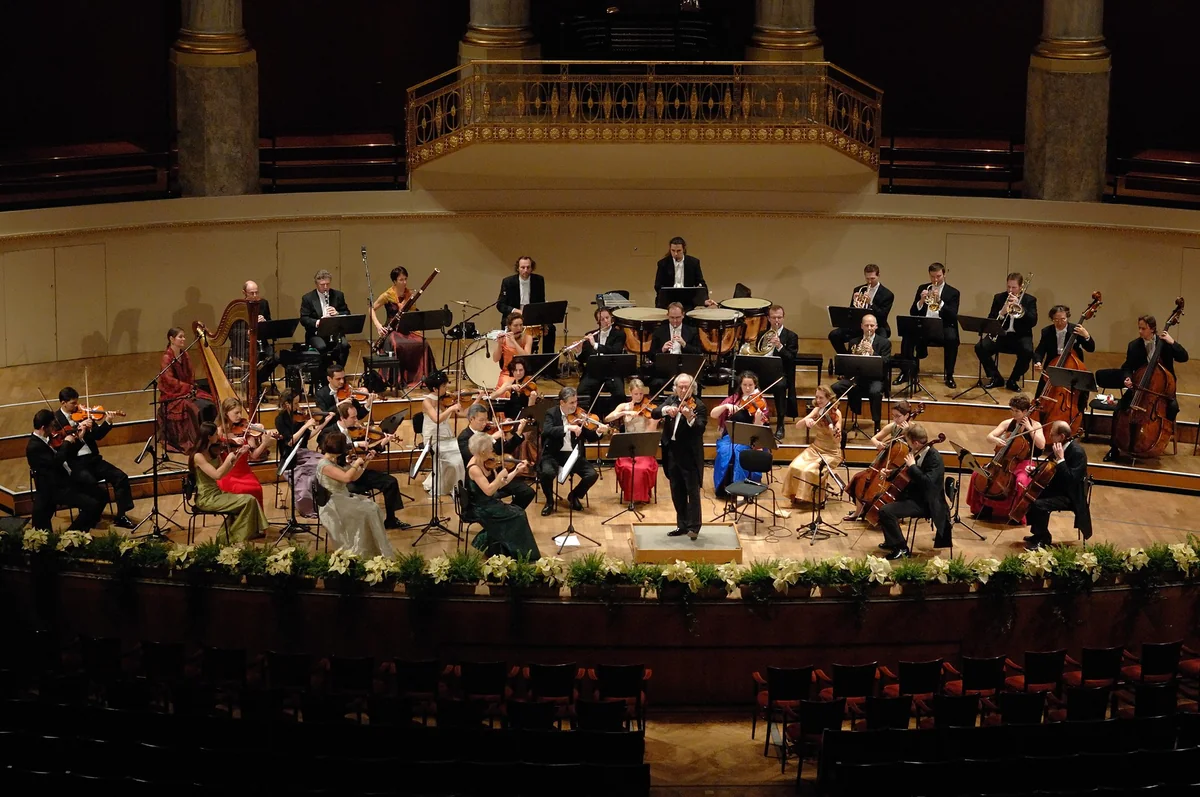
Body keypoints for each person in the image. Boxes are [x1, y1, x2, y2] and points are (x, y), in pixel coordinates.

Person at [1097, 314, 1188, 462]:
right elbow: (1127, 366)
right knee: (1119, 409)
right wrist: (1126, 378)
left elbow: (1184, 357)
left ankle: (1161, 439)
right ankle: (1114, 448)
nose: (1140, 331)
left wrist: (1173, 342)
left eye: (1143, 328)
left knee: (1172, 408)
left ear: (1152, 329)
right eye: (1139, 328)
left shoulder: (1164, 344)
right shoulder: (1134, 345)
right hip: (1138, 389)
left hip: (1162, 392)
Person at [318, 404, 410, 529]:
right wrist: (355, 444)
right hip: (340, 475)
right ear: (342, 418)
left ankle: (391, 520)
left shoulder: (356, 430)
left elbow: (369, 448)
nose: (357, 420)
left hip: (356, 470)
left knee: (390, 482)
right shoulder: (328, 432)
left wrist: (382, 443)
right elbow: (327, 449)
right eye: (353, 417)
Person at [55, 387, 136, 529]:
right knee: (91, 484)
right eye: (73, 403)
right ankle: (91, 514)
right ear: (63, 403)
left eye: (77, 403)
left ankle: (121, 515)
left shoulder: (84, 414)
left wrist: (108, 421)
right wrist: (79, 429)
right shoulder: (56, 420)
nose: (77, 406)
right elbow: (61, 447)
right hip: (75, 463)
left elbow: (97, 435)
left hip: (93, 459)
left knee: (121, 477)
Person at [966, 393, 1046, 523]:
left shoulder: (1036, 425)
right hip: (1003, 461)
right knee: (977, 473)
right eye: (1012, 410)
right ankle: (981, 508)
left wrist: (1031, 429)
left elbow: (1041, 445)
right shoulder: (1008, 423)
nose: (1013, 414)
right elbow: (989, 436)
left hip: (1023, 462)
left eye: (1017, 411)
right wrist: (996, 440)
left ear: (1026, 411)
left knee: (1020, 481)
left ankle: (1016, 515)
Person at [876, 423, 952, 559]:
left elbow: (927, 482)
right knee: (880, 500)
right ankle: (891, 541)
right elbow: (906, 473)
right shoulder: (918, 452)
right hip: (914, 495)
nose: (907, 444)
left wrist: (912, 467)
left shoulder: (934, 459)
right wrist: (890, 473)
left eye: (908, 441)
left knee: (886, 511)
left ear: (916, 443)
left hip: (927, 502)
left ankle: (901, 548)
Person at [27, 410, 107, 531]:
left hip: (66, 481)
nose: (53, 429)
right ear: (44, 427)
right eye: (51, 426)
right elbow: (56, 462)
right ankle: (72, 535)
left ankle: (80, 531)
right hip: (55, 488)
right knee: (92, 505)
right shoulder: (34, 446)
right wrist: (66, 442)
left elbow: (66, 455)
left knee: (101, 495)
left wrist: (79, 438)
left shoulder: (46, 439)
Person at [315, 434, 394, 558]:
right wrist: (356, 464)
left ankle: (373, 549)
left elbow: (354, 476)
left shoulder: (334, 461)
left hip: (343, 497)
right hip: (332, 504)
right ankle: (360, 551)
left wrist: (366, 461)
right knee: (368, 511)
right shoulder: (324, 465)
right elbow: (347, 478)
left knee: (373, 508)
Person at [189, 422, 269, 542]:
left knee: (249, 500)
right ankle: (232, 538)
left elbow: (225, 472)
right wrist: (227, 459)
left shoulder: (212, 452)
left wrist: (238, 456)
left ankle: (228, 537)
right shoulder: (198, 456)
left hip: (217, 493)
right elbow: (217, 475)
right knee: (249, 501)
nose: (218, 436)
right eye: (216, 434)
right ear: (209, 437)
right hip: (206, 498)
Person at [465, 432, 541, 559]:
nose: (493, 450)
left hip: (491, 502)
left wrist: (516, 470)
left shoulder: (486, 462)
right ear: (482, 452)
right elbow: (489, 491)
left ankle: (508, 549)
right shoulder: (474, 468)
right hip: (482, 508)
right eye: (490, 448)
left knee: (518, 512)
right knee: (519, 515)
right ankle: (520, 553)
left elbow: (500, 484)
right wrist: (499, 476)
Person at [539, 387, 609, 516]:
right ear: (562, 403)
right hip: (553, 454)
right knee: (546, 473)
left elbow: (590, 436)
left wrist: (598, 432)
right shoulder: (551, 413)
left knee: (592, 474)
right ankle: (549, 501)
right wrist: (568, 427)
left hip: (573, 455)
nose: (575, 405)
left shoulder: (580, 416)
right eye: (571, 403)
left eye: (576, 402)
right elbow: (547, 431)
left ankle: (574, 496)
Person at [652, 373, 707, 539]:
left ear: (693, 389)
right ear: (675, 388)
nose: (684, 390)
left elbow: (700, 428)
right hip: (672, 453)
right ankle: (681, 525)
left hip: (689, 456)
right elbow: (655, 413)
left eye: (687, 387)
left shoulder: (699, 406)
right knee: (677, 491)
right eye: (681, 387)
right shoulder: (671, 401)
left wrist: (689, 416)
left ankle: (694, 527)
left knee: (693, 493)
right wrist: (665, 410)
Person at [1023, 420, 1092, 549]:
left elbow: (1071, 479)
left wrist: (1061, 460)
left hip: (1071, 496)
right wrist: (1035, 471)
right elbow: (1050, 468)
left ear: (1061, 437)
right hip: (1059, 489)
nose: (1049, 436)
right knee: (1031, 496)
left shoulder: (1077, 453)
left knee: (1039, 504)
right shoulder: (1059, 447)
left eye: (1052, 434)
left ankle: (1043, 539)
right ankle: (1038, 534)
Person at [843, 400, 915, 521]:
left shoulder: (913, 429)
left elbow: (916, 448)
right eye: (893, 416)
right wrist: (878, 443)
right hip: (883, 465)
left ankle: (885, 514)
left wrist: (908, 433)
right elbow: (874, 438)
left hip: (900, 469)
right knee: (858, 478)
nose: (895, 419)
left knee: (877, 488)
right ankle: (859, 511)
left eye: (898, 416)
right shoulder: (893, 427)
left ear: (907, 415)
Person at [895, 262, 960, 389]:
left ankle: (949, 375)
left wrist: (940, 302)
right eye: (932, 277)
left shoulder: (953, 292)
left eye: (938, 276)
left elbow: (952, 315)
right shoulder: (923, 288)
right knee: (907, 336)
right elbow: (913, 312)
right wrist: (921, 301)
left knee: (952, 339)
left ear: (944, 274)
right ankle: (905, 372)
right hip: (924, 325)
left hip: (943, 326)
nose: (935, 280)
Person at [457, 404, 534, 509]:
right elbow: (471, 457)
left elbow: (504, 450)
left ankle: (510, 513)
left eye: (486, 419)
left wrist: (518, 432)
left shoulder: (487, 432)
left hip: (496, 475)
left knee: (527, 492)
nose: (485, 423)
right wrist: (491, 438)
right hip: (480, 484)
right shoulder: (464, 437)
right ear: (471, 419)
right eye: (481, 420)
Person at [371, 266, 435, 389]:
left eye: (405, 279)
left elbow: (412, 314)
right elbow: (371, 309)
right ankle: (397, 379)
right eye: (401, 280)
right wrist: (378, 326)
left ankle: (420, 377)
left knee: (423, 343)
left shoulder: (409, 294)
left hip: (406, 329)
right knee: (396, 344)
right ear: (395, 281)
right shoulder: (387, 295)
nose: (404, 282)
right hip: (392, 329)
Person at [975, 272, 1038, 391]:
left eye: (1014, 287)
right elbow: (991, 319)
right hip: (1001, 335)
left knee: (1027, 351)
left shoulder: (1030, 300)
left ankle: (1013, 380)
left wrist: (1021, 309)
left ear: (1020, 287)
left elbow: (1033, 321)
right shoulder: (999, 298)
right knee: (980, 347)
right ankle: (996, 377)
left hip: (1020, 336)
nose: (1010, 290)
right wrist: (1002, 312)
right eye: (1008, 286)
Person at [781, 385, 843, 505]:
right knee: (794, 466)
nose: (818, 400)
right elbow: (798, 426)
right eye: (817, 397)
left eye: (821, 398)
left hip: (831, 453)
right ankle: (796, 495)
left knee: (810, 471)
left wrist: (832, 430)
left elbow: (837, 441)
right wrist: (806, 420)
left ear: (829, 399)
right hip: (815, 449)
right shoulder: (817, 410)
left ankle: (815, 499)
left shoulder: (836, 414)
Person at [710, 371, 769, 497]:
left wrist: (758, 418)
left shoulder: (760, 401)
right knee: (724, 451)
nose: (747, 388)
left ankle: (739, 490)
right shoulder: (733, 399)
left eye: (750, 385)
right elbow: (713, 414)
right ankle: (722, 486)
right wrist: (725, 406)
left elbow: (758, 430)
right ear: (740, 385)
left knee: (740, 452)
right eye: (745, 385)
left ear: (755, 386)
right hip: (730, 437)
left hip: (749, 439)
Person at [274, 390, 331, 518]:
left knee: (324, 462)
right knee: (313, 471)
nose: (299, 406)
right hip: (290, 455)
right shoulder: (280, 419)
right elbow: (290, 441)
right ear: (287, 404)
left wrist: (324, 422)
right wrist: (305, 426)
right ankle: (309, 504)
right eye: (295, 403)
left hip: (303, 452)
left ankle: (322, 499)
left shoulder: (298, 416)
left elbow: (308, 437)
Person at [159, 326, 216, 454]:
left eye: (184, 336)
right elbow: (168, 380)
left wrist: (190, 387)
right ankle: (198, 441)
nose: (184, 339)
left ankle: (209, 438)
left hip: (187, 390)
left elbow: (191, 374)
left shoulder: (184, 354)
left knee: (210, 402)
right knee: (195, 409)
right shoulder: (166, 358)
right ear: (171, 339)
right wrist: (187, 388)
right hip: (173, 393)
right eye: (180, 337)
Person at [831, 313, 891, 432]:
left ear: (876, 326)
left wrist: (873, 353)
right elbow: (849, 362)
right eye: (867, 325)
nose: (869, 328)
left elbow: (886, 362)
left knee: (875, 391)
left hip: (875, 379)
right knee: (835, 387)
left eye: (872, 326)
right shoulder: (854, 342)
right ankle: (833, 420)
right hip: (857, 378)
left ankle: (877, 424)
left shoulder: (884, 343)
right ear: (861, 326)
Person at [215, 397, 280, 506]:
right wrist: (231, 441)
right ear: (226, 413)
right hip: (227, 474)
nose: (240, 416)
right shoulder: (219, 432)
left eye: (240, 412)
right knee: (241, 490)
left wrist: (264, 443)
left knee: (257, 489)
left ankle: (254, 522)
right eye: (236, 413)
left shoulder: (246, 430)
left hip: (245, 472)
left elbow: (253, 456)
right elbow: (216, 452)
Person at [605, 378, 661, 504]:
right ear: (630, 393)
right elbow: (608, 418)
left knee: (642, 468)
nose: (639, 397)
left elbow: (650, 431)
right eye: (636, 394)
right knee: (627, 467)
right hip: (627, 447)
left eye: (641, 394)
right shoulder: (623, 406)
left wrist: (654, 421)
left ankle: (640, 496)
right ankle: (631, 496)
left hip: (644, 447)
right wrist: (625, 412)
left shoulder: (649, 408)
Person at [420, 370, 469, 496]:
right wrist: (451, 409)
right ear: (435, 389)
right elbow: (437, 419)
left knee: (461, 457)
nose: (446, 389)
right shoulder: (427, 402)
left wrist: (477, 398)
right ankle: (449, 485)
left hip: (447, 435)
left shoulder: (444, 399)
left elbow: (463, 413)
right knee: (454, 461)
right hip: (434, 437)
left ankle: (458, 486)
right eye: (443, 386)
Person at [828, 263, 896, 354]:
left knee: (883, 341)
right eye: (867, 278)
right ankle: (847, 358)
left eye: (872, 278)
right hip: (858, 325)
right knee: (834, 335)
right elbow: (852, 312)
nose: (869, 281)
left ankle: (877, 363)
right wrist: (855, 301)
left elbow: (882, 316)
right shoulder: (858, 289)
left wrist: (870, 303)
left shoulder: (887, 294)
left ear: (878, 276)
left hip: (877, 326)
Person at [1033, 304, 1095, 400]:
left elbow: (1091, 348)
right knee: (1040, 395)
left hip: (1072, 366)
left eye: (1063, 319)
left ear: (1067, 317)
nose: (1060, 322)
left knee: (1079, 396)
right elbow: (1040, 350)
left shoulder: (1076, 330)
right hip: (1053, 364)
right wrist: (1038, 362)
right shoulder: (1047, 331)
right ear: (1052, 319)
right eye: (1056, 320)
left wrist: (1086, 336)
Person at [497, 255, 556, 353]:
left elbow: (541, 301)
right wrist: (516, 311)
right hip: (514, 317)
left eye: (528, 267)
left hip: (532, 317)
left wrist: (544, 322)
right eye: (522, 267)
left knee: (551, 329)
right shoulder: (508, 282)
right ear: (517, 268)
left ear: (532, 268)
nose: (525, 270)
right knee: (512, 325)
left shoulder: (538, 280)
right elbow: (500, 305)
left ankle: (548, 363)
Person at [576, 307, 628, 415]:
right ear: (598, 322)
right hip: (594, 373)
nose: (606, 321)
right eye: (602, 319)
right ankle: (590, 417)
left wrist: (595, 345)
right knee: (581, 391)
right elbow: (583, 359)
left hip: (612, 372)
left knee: (619, 394)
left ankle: (614, 418)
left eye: (607, 318)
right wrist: (579, 350)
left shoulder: (619, 334)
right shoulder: (590, 334)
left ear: (611, 318)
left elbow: (615, 351)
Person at [299, 269, 351, 374]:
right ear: (316, 284)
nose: (326, 287)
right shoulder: (308, 298)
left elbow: (347, 313)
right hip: (316, 333)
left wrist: (337, 313)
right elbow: (304, 319)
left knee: (344, 345)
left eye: (328, 284)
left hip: (335, 332)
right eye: (322, 285)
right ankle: (326, 373)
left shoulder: (338, 295)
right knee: (322, 347)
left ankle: (339, 372)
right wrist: (317, 322)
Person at [646, 302, 702, 394]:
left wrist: (684, 345)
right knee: (655, 383)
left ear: (683, 315)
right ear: (667, 316)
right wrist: (662, 350)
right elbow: (651, 355)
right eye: (672, 317)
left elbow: (698, 352)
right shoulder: (659, 332)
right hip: (665, 371)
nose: (675, 321)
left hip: (686, 371)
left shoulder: (692, 331)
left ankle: (695, 406)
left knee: (696, 384)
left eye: (678, 317)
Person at [762, 304, 800, 440]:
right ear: (768, 318)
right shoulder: (762, 334)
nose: (776, 320)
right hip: (764, 372)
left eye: (779, 317)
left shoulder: (791, 336)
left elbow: (791, 358)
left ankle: (780, 424)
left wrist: (779, 346)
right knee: (747, 383)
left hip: (781, 374)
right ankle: (755, 420)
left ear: (783, 318)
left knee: (779, 386)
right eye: (773, 317)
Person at [653, 237, 716, 311]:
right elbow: (658, 285)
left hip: (687, 302)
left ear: (684, 249)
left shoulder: (693, 263)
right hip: (667, 301)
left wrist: (705, 299)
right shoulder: (663, 264)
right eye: (673, 251)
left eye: (678, 251)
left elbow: (700, 283)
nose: (675, 254)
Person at [239, 280, 278, 386]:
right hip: (245, 345)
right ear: (244, 292)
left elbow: (270, 323)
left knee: (275, 358)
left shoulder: (263, 303)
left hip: (262, 342)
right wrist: (249, 330)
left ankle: (257, 383)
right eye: (252, 293)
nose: (255, 296)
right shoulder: (239, 307)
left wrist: (264, 322)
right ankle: (255, 388)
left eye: (257, 292)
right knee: (256, 358)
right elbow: (234, 332)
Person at [492, 312, 534, 379]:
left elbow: (526, 358)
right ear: (509, 326)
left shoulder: (528, 338)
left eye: (521, 325)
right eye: (515, 325)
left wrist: (514, 341)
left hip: (523, 374)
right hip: (508, 373)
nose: (519, 328)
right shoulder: (504, 339)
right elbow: (495, 359)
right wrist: (499, 344)